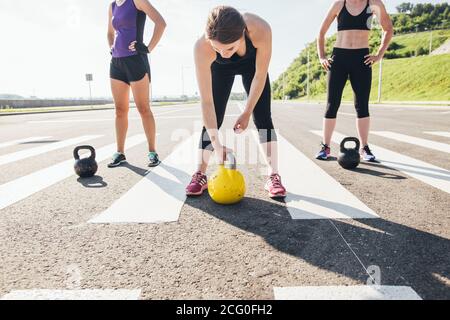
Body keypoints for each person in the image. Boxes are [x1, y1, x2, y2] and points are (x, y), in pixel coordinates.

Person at [186, 6, 287, 199]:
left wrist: (247, 111)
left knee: (263, 116)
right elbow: (206, 102)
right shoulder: (202, 47)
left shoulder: (260, 29)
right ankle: (200, 173)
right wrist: (217, 146)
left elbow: (260, 75)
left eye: (230, 48)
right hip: (220, 71)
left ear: (242, 34)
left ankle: (273, 175)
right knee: (214, 116)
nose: (224, 54)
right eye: (217, 48)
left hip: (252, 67)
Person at [316, 0, 393, 161]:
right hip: (339, 59)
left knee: (362, 105)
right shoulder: (339, 4)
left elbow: (388, 29)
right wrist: (322, 56)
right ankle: (325, 146)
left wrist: (379, 54)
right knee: (332, 104)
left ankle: (365, 148)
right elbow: (321, 32)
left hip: (361, 59)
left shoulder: (374, 4)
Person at [107, 0, 166, 168]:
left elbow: (161, 23)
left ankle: (153, 152)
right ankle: (120, 153)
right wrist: (111, 47)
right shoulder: (111, 6)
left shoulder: (137, 1)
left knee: (143, 108)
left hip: (136, 61)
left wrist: (148, 48)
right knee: (120, 110)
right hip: (116, 63)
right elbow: (110, 32)